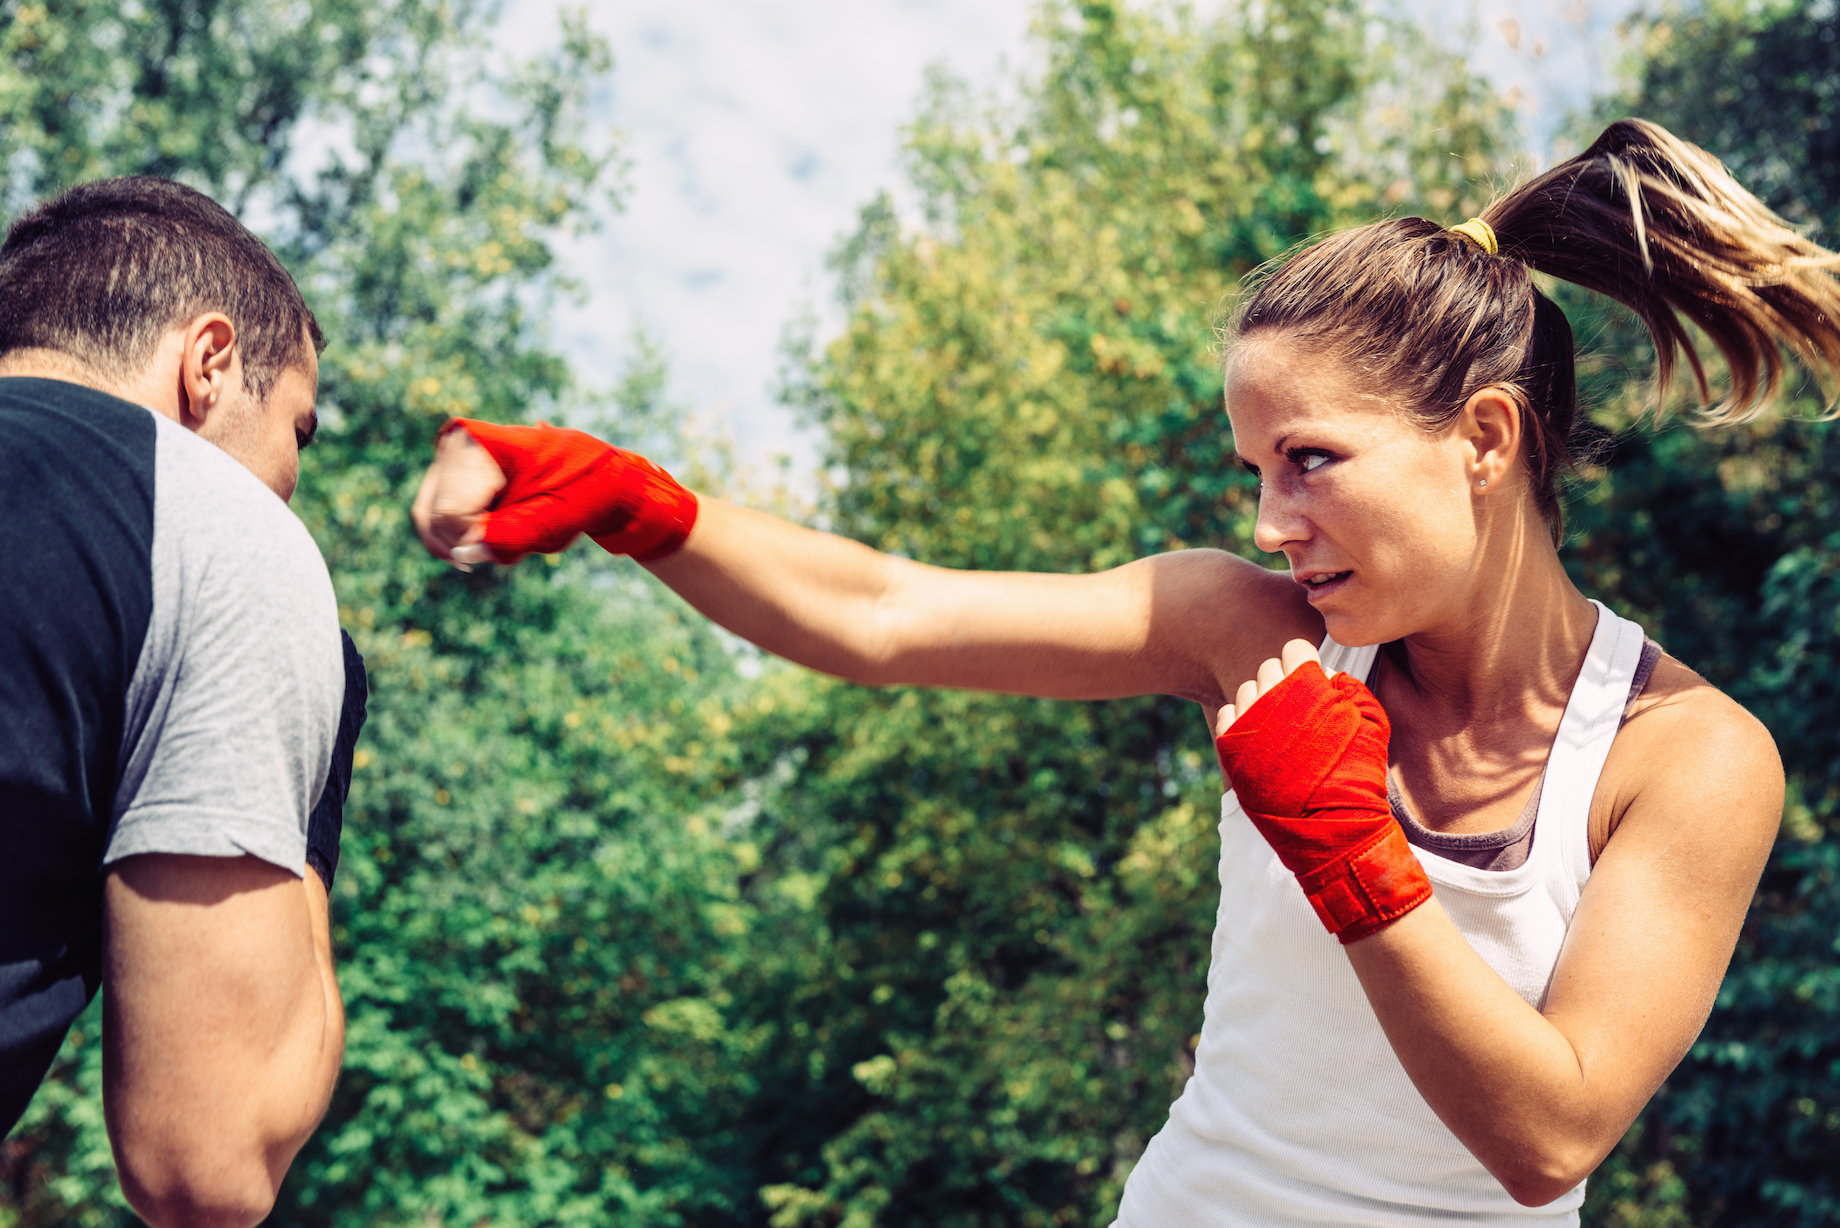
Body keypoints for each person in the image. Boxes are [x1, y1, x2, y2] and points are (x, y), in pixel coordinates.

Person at [413, 119, 1840, 1223]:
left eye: (1311, 462)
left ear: (1482, 436)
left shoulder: (1688, 755)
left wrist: (1352, 857)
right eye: (1253, 471)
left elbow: (1551, 1136)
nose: (1270, 523)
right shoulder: (1254, 629)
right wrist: (633, 504)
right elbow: (884, 614)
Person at [0, 176, 366, 1228]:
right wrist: (311, 816)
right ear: (207, 364)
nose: (294, 476)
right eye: (301, 429)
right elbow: (207, 1161)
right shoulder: (217, 523)